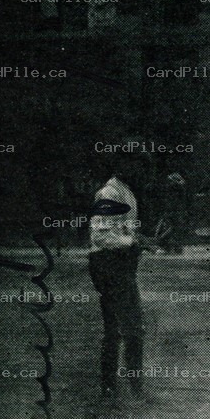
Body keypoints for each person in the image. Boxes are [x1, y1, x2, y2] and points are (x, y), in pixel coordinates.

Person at [89, 164, 147, 401]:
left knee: (120, 329)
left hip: (116, 265)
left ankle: (113, 389)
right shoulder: (110, 193)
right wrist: (131, 243)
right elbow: (100, 236)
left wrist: (141, 240)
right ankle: (131, 390)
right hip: (109, 265)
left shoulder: (125, 191)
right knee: (129, 329)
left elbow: (121, 232)